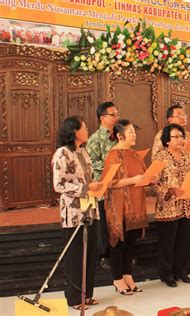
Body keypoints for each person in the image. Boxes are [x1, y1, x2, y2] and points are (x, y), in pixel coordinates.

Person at [52, 116, 103, 310]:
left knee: (90, 254)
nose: (88, 130)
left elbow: (89, 177)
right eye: (85, 128)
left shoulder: (82, 151)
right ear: (75, 131)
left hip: (90, 208)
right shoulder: (61, 154)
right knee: (75, 256)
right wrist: (85, 187)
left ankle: (86, 294)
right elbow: (59, 184)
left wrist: (96, 186)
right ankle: (74, 298)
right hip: (73, 212)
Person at [102, 119, 152, 295]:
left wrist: (150, 178)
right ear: (120, 135)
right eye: (130, 132)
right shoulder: (113, 155)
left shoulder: (134, 154)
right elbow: (108, 182)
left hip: (136, 204)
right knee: (119, 244)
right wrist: (133, 180)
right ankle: (117, 279)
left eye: (134, 131)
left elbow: (143, 174)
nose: (134, 135)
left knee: (131, 243)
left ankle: (128, 275)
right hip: (120, 205)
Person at [153, 124, 190, 287]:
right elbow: (154, 183)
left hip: (185, 204)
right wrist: (170, 190)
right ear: (166, 140)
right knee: (167, 242)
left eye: (181, 136)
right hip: (168, 206)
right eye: (175, 137)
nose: (180, 140)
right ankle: (167, 274)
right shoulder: (160, 157)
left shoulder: (186, 155)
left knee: (183, 241)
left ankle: (181, 271)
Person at [87, 101, 120, 269]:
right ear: (103, 118)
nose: (117, 117)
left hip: (119, 187)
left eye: (117, 114)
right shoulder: (95, 138)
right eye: (113, 114)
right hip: (103, 187)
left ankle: (117, 253)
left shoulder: (118, 136)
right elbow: (91, 163)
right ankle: (103, 255)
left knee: (117, 221)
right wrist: (110, 165)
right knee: (103, 225)